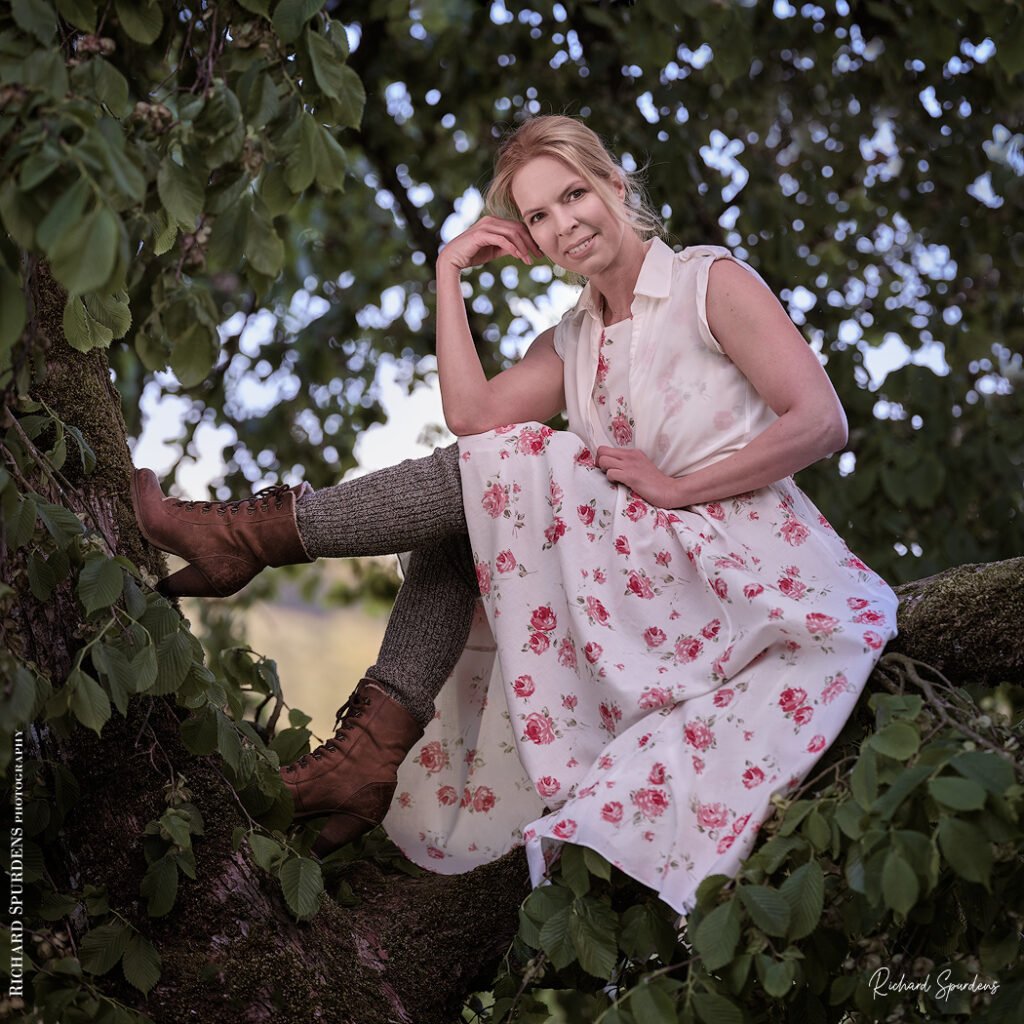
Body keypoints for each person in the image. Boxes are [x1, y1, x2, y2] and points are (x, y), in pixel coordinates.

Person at [132, 115, 898, 913]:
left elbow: (819, 421)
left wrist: (676, 488)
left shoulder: (710, 283)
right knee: (488, 494)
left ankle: (248, 538)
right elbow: (472, 418)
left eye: (575, 194)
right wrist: (448, 270)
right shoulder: (573, 338)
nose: (564, 224)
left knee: (525, 461)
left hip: (737, 566)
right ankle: (364, 754)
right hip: (641, 582)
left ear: (615, 184)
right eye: (538, 215)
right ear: (526, 236)